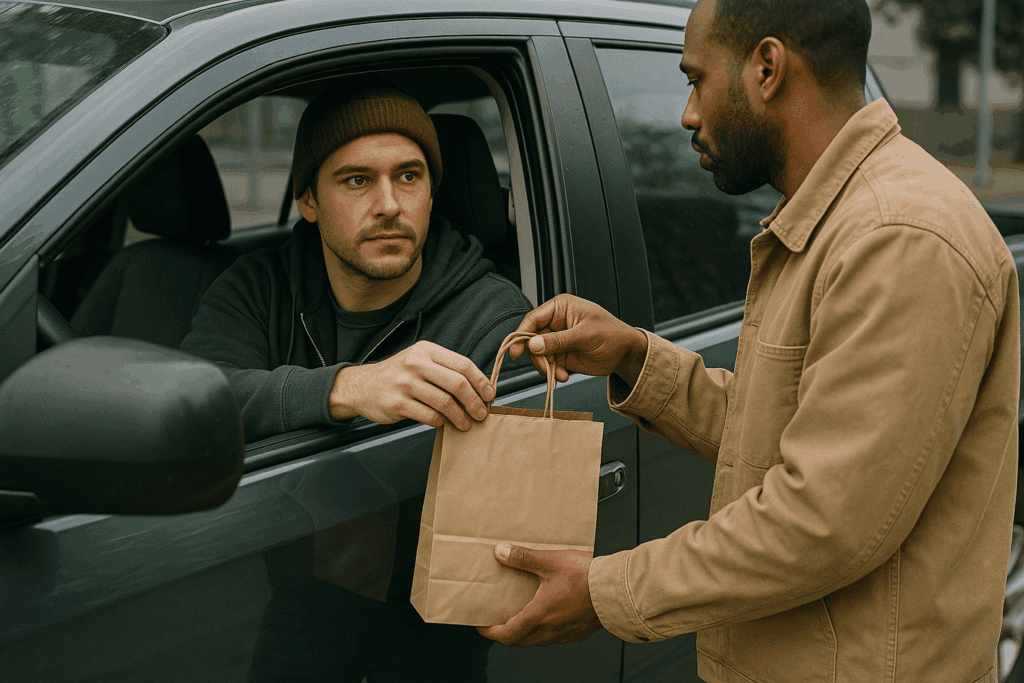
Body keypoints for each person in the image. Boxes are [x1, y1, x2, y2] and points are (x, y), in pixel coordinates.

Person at [478, 1, 1021, 681]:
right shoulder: (836, 221)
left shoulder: (898, 237)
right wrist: (633, 356)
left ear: (767, 68)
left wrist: (603, 591)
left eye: (695, 79)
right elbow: (792, 429)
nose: (688, 115)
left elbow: (821, 518)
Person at [182, 74, 532, 682]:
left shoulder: (493, 315)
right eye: (356, 180)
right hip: (290, 599)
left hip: (429, 623)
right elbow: (196, 403)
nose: (389, 204)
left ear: (430, 191)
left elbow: (506, 515)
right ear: (309, 201)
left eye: (409, 176)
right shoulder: (256, 287)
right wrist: (344, 388)